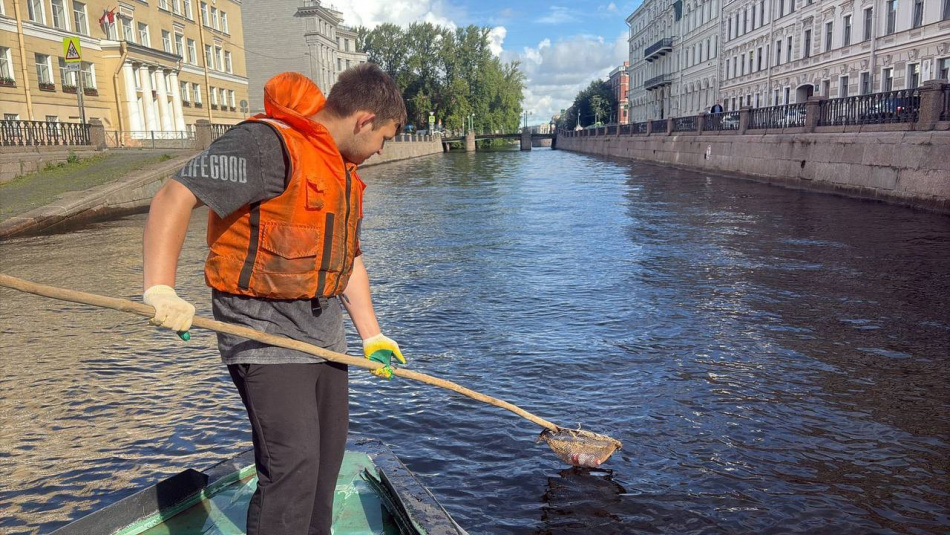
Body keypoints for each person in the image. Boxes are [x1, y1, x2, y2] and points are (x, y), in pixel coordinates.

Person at [141, 65, 407, 535]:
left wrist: (373, 335)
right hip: (262, 334)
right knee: (293, 466)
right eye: (384, 137)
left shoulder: (340, 170)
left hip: (323, 338)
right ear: (364, 120)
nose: (382, 150)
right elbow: (173, 195)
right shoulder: (264, 146)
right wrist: (160, 287)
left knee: (325, 463)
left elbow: (348, 261)